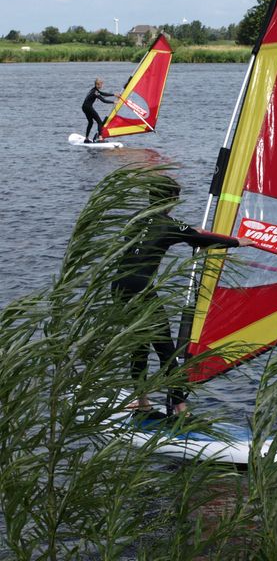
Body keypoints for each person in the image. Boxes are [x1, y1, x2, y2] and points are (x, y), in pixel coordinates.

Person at [112, 175, 254, 417]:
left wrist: (190, 232)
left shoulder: (138, 218)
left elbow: (180, 232)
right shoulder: (168, 225)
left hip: (119, 286)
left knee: (138, 345)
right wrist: (237, 242)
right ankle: (180, 409)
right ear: (171, 200)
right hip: (141, 289)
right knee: (166, 349)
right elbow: (200, 239)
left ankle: (142, 401)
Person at [81, 77, 115, 143]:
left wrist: (114, 94)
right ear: (97, 85)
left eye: (102, 84)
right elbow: (103, 100)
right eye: (101, 84)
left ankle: (86, 138)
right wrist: (113, 102)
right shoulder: (95, 92)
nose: (102, 85)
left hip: (84, 107)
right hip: (88, 107)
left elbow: (103, 93)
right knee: (99, 122)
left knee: (90, 122)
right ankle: (100, 138)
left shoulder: (93, 90)